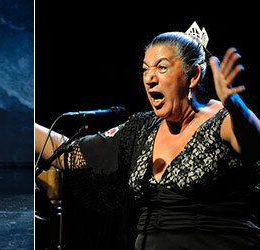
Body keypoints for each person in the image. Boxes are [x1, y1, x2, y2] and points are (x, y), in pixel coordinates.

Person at [36, 24, 260, 249]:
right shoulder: (142, 128)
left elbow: (252, 138)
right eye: (145, 69)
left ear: (193, 76)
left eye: (162, 67)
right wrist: (18, 125)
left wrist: (236, 105)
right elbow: (68, 153)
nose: (150, 78)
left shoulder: (223, 120)